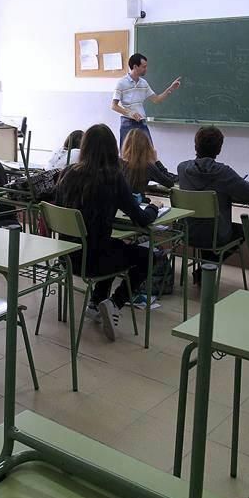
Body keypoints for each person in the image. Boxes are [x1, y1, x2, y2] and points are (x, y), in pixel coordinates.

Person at [55, 123, 159, 340]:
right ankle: (114, 303)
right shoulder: (113, 178)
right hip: (94, 261)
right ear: (113, 149)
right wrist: (153, 208)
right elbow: (140, 220)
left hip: (66, 257)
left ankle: (95, 303)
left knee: (111, 246)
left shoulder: (67, 174)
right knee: (148, 255)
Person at [177, 126, 249, 281]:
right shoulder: (223, 173)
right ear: (219, 149)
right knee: (241, 230)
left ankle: (205, 269)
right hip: (216, 236)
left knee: (205, 224)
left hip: (187, 232)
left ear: (195, 145)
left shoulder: (182, 168)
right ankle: (207, 269)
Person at [111, 53, 181, 149]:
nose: (146, 69)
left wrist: (171, 89)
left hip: (141, 122)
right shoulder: (121, 83)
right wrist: (130, 113)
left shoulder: (143, 83)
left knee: (148, 152)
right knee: (126, 153)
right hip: (127, 122)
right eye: (144, 66)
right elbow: (114, 106)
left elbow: (156, 99)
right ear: (135, 66)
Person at [121, 128, 176, 195]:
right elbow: (170, 183)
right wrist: (156, 161)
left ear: (126, 145)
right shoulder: (148, 167)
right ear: (146, 147)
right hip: (137, 203)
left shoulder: (118, 163)